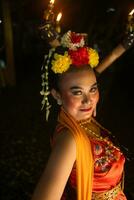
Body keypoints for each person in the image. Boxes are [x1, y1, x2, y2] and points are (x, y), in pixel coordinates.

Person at [32, 31, 127, 200]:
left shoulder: (85, 121)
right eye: (77, 92)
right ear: (57, 95)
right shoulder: (70, 140)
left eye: (93, 89)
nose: (88, 100)